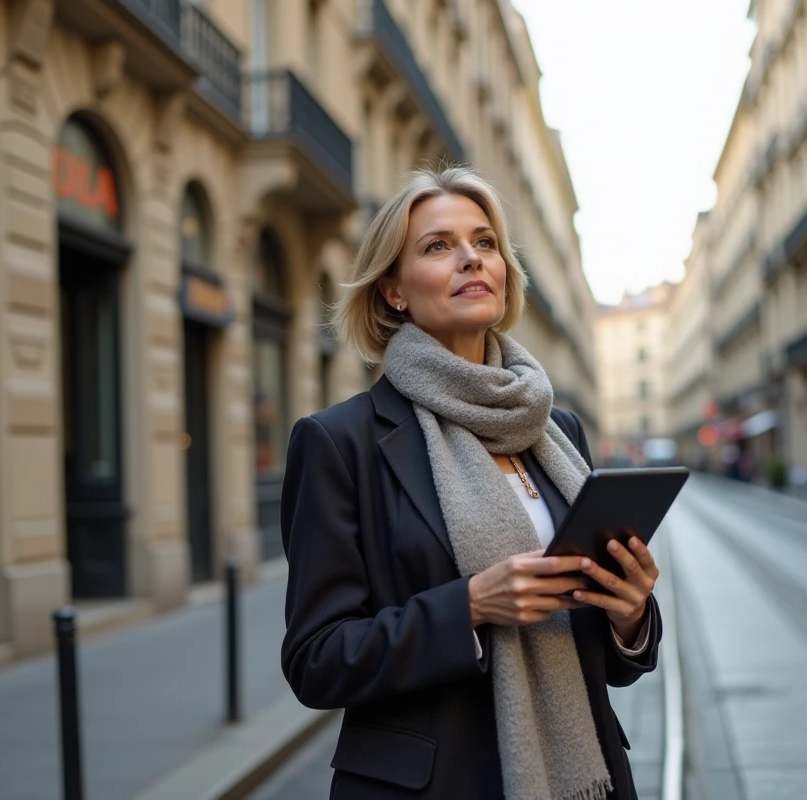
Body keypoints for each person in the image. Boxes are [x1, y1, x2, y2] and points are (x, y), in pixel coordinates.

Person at [280, 166, 663, 800]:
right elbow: (316, 660)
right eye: (438, 246)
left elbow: (610, 655)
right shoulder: (340, 442)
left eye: (485, 242)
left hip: (580, 776)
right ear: (393, 292)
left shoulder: (555, 427)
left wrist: (629, 614)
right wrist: (470, 607)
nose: (471, 259)